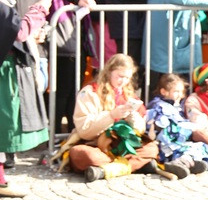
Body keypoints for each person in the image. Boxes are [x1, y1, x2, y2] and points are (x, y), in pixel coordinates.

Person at [62, 53, 172, 182]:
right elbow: (84, 130)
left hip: (122, 145)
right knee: (83, 154)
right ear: (109, 72)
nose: (123, 81)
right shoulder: (90, 92)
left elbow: (140, 131)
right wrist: (111, 116)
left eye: (127, 78)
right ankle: (133, 165)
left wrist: (133, 117)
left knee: (151, 148)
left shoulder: (128, 93)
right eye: (120, 76)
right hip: (95, 144)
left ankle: (105, 170)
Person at [0, 0, 51, 196]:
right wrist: (38, 11)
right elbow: (18, 32)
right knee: (4, 125)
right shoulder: (1, 4)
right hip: (3, 72)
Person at [48, 0, 92, 131]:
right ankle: (55, 132)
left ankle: (69, 131)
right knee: (62, 91)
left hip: (79, 42)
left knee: (74, 90)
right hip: (62, 43)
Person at [144, 73, 208, 176]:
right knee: (193, 147)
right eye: (176, 92)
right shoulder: (159, 106)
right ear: (164, 92)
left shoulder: (176, 107)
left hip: (177, 143)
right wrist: (191, 128)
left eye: (181, 92)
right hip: (166, 146)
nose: (180, 95)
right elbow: (169, 130)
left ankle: (186, 162)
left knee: (203, 147)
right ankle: (179, 162)